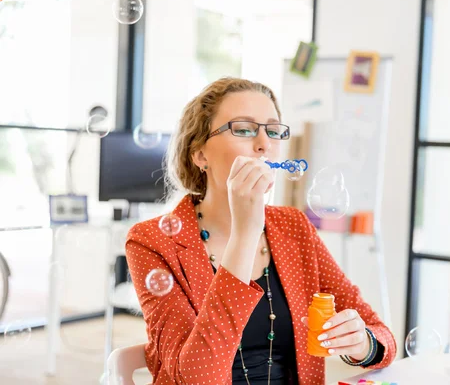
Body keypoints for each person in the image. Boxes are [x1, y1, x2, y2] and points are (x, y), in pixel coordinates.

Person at [125, 77, 397, 385]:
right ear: (200, 154)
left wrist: (363, 344)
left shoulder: (293, 227)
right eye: (243, 129)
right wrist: (246, 232)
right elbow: (196, 378)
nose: (264, 144)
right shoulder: (152, 241)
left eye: (273, 130)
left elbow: (381, 334)